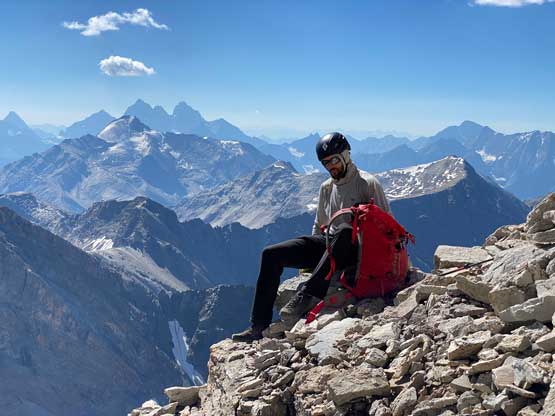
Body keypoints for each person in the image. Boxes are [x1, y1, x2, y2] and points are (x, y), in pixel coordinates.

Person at [232, 132, 390, 342]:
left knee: (344, 231)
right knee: (271, 254)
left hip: (358, 252)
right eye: (326, 163)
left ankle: (307, 296)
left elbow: (386, 225)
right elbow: (320, 226)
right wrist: (313, 261)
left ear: (346, 155)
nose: (330, 166)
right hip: (331, 247)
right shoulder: (327, 187)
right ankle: (258, 327)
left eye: (334, 160)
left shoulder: (367, 183)